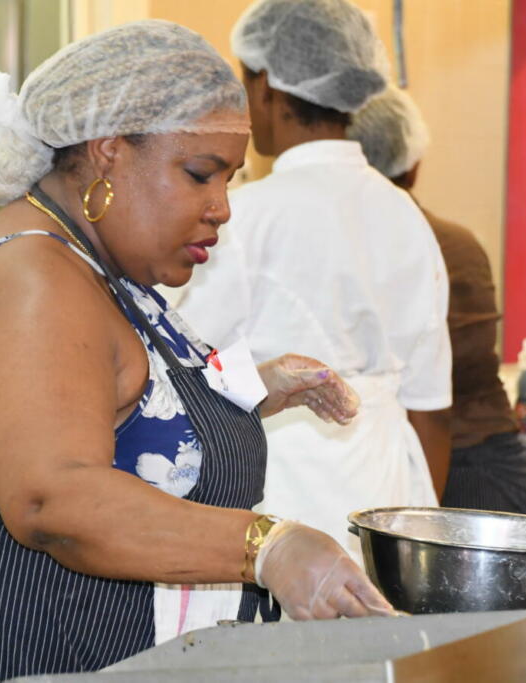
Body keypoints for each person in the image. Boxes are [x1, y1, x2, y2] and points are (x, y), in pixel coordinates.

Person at [0, 20, 394, 682]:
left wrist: (248, 388)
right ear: (108, 151)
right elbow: (55, 499)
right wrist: (266, 546)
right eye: (199, 174)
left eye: (229, 180)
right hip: (11, 640)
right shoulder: (36, 281)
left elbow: (109, 405)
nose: (222, 208)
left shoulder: (89, 263)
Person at [177, 0, 453, 563]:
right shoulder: (405, 213)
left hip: (283, 494)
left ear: (265, 86)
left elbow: (188, 368)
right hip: (390, 502)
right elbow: (432, 405)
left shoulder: (245, 216)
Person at [347, 85, 526, 516]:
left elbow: (427, 397)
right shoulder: (457, 243)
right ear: (413, 165)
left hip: (439, 466)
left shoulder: (357, 245)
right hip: (487, 467)